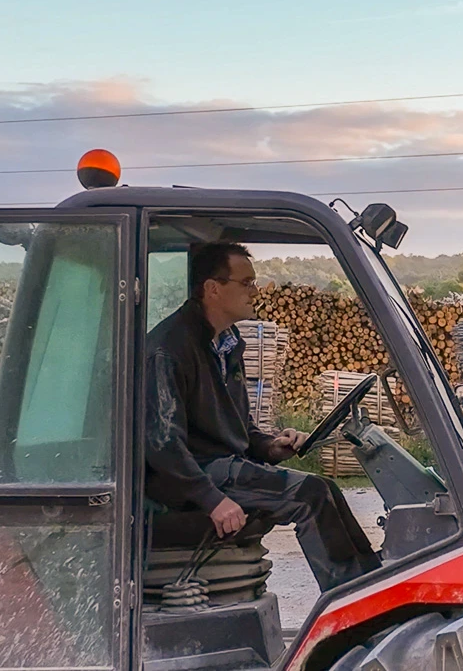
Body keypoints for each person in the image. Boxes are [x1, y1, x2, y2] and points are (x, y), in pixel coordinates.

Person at [145, 241, 382, 591]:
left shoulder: (226, 343)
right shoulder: (170, 348)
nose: (255, 291)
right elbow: (164, 444)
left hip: (220, 464)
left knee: (325, 488)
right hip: (193, 475)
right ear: (213, 288)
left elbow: (238, 428)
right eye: (246, 283)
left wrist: (270, 446)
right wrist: (212, 499)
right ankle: (351, 603)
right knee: (310, 495)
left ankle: (373, 586)